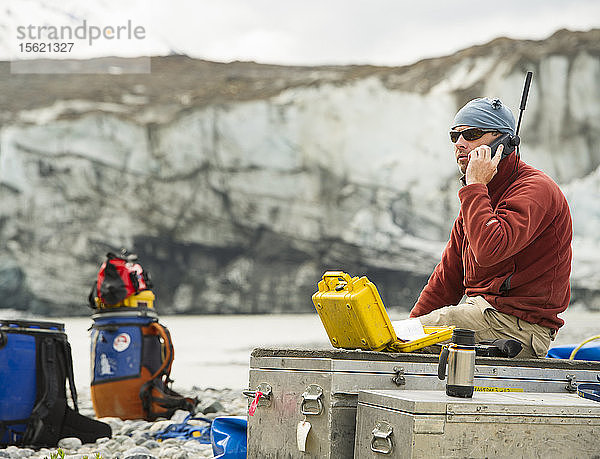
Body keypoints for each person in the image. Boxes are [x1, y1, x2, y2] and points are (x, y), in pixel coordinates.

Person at [409, 97, 572, 359]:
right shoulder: (479, 200)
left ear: (504, 142)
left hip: (520, 329)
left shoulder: (534, 190)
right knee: (409, 332)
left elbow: (489, 250)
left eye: (472, 134)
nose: (460, 144)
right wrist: (406, 330)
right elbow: (447, 278)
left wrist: (474, 185)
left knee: (426, 328)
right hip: (483, 318)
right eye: (454, 136)